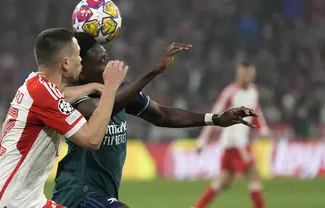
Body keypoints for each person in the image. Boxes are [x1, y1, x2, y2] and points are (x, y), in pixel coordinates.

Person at [52, 33, 259, 208]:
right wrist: (152, 71)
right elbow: (102, 109)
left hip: (102, 192)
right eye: (100, 57)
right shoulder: (72, 96)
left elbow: (162, 115)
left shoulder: (118, 89)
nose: (107, 58)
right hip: (77, 192)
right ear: (81, 66)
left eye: (106, 55)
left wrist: (214, 119)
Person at [0, 28, 128, 208]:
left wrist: (91, 87)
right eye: (78, 55)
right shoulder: (43, 94)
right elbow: (92, 139)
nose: (81, 61)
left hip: (29, 200)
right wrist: (110, 87)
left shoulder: (35, 84)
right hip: (6, 201)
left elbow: (62, 95)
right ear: (66, 63)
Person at [193, 62, 269, 208]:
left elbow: (256, 111)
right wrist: (203, 140)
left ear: (252, 75)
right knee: (253, 174)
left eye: (249, 74)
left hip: (240, 143)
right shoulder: (230, 92)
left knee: (224, 180)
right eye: (243, 74)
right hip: (234, 143)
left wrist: (263, 129)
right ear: (238, 75)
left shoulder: (254, 91)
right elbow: (213, 116)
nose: (245, 77)